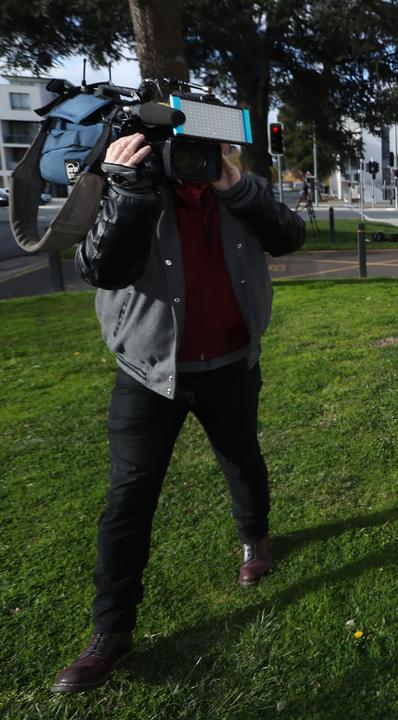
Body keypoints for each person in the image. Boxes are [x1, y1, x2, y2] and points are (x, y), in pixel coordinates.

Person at [51, 137, 305, 693]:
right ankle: (111, 631)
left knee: (242, 460)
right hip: (149, 371)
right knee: (130, 495)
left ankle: (254, 539)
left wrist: (236, 188)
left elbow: (290, 236)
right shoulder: (128, 187)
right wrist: (127, 189)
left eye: (206, 148)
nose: (195, 160)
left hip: (231, 363)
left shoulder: (237, 187)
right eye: (183, 150)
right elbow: (100, 267)